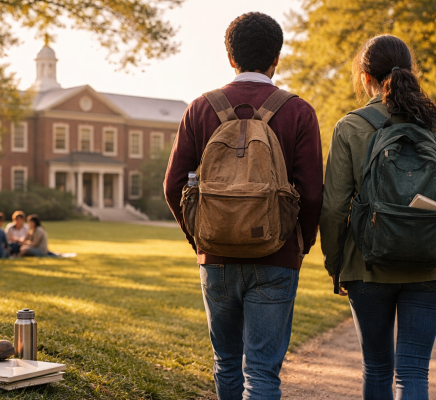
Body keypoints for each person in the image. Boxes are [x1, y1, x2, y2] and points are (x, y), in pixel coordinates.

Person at [164, 12, 323, 399]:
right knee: (263, 373)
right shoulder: (298, 111)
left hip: (215, 255)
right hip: (276, 257)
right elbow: (313, 193)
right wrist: (301, 242)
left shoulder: (202, 108)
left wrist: (198, 237)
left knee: (226, 363)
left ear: (230, 57)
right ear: (277, 58)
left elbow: (172, 185)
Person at [320, 34, 436, 400]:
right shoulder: (432, 122)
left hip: (366, 264)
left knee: (377, 368)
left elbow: (335, 207)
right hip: (429, 265)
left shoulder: (350, 126)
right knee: (414, 369)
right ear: (411, 71)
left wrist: (335, 264)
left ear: (365, 76)